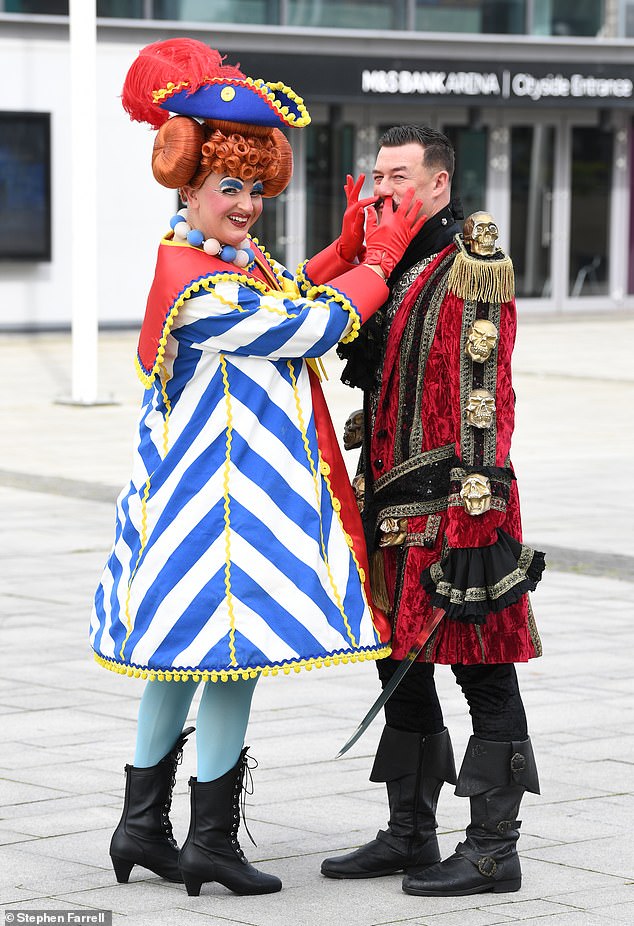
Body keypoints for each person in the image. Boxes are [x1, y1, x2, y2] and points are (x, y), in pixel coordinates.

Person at [90, 41, 426, 898]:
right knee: (230, 663)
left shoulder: (213, 265)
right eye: (227, 188)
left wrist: (347, 242)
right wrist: (381, 257)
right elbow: (307, 327)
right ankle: (206, 842)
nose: (245, 205)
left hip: (199, 508)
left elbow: (289, 291)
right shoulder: (200, 286)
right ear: (188, 189)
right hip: (225, 516)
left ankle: (141, 829)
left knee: (174, 663)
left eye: (253, 188)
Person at [321, 125, 545, 896]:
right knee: (399, 675)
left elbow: (486, 403)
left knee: (484, 675)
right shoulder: (392, 264)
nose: (383, 189)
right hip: (386, 506)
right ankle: (411, 834)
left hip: (457, 506)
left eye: (400, 177)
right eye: (377, 175)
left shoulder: (470, 268)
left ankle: (492, 848)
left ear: (439, 184)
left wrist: (474, 522)